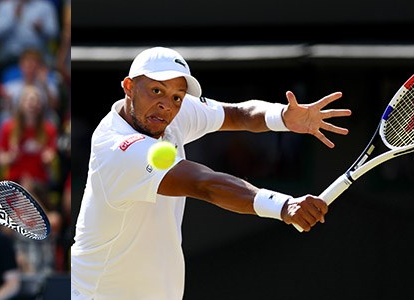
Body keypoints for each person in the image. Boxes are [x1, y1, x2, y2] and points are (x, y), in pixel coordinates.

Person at [70, 47, 352, 299]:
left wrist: (283, 117)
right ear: (129, 86)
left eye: (177, 97)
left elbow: (237, 114)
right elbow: (205, 184)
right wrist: (283, 205)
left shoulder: (170, 111)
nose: (167, 105)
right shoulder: (119, 149)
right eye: (156, 91)